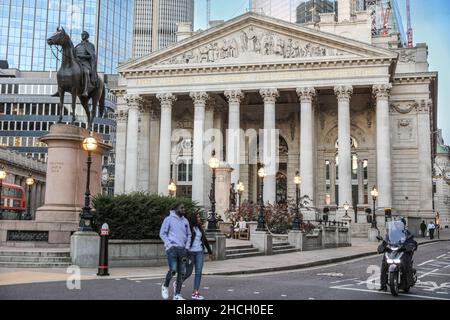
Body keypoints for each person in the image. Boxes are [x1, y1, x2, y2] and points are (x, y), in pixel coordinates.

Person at [159, 203, 191, 300]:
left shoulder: (185, 221)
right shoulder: (168, 219)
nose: (183, 209)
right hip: (172, 249)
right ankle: (165, 285)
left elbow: (189, 235)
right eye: (181, 208)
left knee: (181, 273)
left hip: (183, 250)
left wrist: (187, 247)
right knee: (173, 270)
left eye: (184, 207)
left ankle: (177, 295)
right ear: (176, 209)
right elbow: (162, 233)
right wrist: (169, 245)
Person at [378, 218, 417, 292]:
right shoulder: (391, 233)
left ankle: (409, 281)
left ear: (403, 225)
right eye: (397, 224)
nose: (398, 225)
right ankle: (383, 284)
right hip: (392, 251)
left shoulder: (407, 233)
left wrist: (411, 245)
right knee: (384, 264)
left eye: (400, 224)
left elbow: (412, 241)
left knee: (406, 262)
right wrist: (382, 246)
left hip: (402, 251)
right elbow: (386, 240)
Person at [181, 212, 213, 300]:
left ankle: (195, 292)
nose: (199, 218)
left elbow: (204, 240)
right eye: (198, 217)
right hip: (190, 253)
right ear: (194, 218)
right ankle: (178, 283)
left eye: (199, 217)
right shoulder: (188, 228)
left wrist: (210, 252)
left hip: (199, 252)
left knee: (198, 272)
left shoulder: (199, 227)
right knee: (188, 272)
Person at [75, 31, 98, 97]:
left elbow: (92, 56)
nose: (82, 35)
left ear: (87, 36)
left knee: (86, 72)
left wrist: (82, 56)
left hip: (85, 63)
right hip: (77, 63)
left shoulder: (90, 45)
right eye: (82, 34)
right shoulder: (78, 45)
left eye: (84, 35)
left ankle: (85, 90)